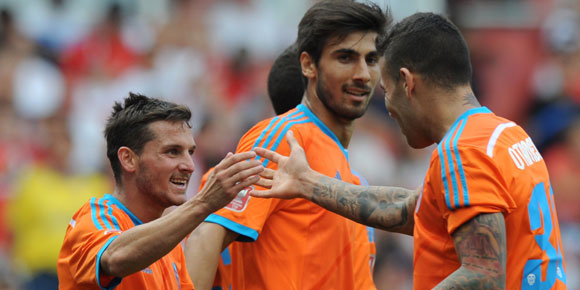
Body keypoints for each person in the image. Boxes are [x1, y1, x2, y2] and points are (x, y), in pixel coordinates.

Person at [252, 12, 568, 290]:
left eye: (387, 92)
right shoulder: (506, 135)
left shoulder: (462, 151)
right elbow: (411, 211)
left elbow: (482, 276)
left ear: (407, 83)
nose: (388, 108)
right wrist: (308, 182)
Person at [185, 1, 388, 289]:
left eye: (370, 59)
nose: (363, 74)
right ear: (308, 64)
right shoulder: (282, 139)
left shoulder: (355, 181)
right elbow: (207, 236)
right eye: (345, 58)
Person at [57, 93, 264, 289]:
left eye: (190, 152)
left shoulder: (170, 243)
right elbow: (115, 258)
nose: (189, 165)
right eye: (172, 152)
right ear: (128, 159)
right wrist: (203, 203)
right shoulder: (93, 219)